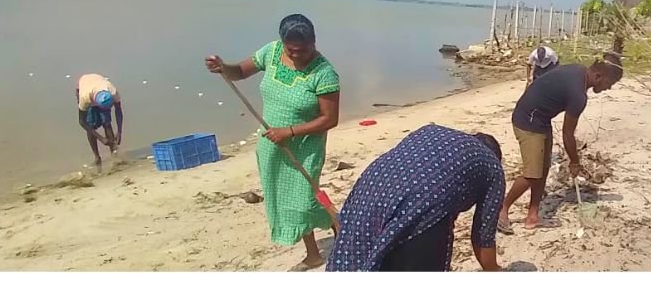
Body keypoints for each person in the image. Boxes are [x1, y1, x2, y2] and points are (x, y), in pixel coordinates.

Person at [205, 14, 340, 270]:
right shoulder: (272, 51)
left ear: (314, 42)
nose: (298, 55)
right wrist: (223, 67)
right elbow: (240, 72)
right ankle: (328, 234)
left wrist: (288, 131)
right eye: (292, 50)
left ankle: (324, 241)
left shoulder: (325, 74)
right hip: (271, 143)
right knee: (286, 198)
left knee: (303, 201)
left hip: (304, 146)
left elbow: (329, 119)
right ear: (283, 43)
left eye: (304, 50)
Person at [326, 124, 504, 271]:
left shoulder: (431, 131)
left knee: (357, 257)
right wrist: (493, 271)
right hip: (418, 202)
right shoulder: (492, 166)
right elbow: (483, 237)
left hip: (370, 186)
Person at [498, 57, 622, 233]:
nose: (609, 88)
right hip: (528, 119)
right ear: (599, 75)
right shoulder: (579, 95)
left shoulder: (579, 69)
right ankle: (502, 209)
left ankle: (532, 217)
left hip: (541, 119)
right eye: (610, 83)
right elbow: (567, 134)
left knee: (544, 169)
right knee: (532, 174)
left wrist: (574, 160)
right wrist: (574, 162)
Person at [76, 72, 123, 169]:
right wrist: (101, 138)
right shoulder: (84, 97)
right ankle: (97, 157)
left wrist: (119, 131)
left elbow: (118, 111)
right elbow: (82, 121)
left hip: (99, 85)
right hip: (85, 88)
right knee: (90, 124)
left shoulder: (113, 92)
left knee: (107, 122)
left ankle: (114, 155)